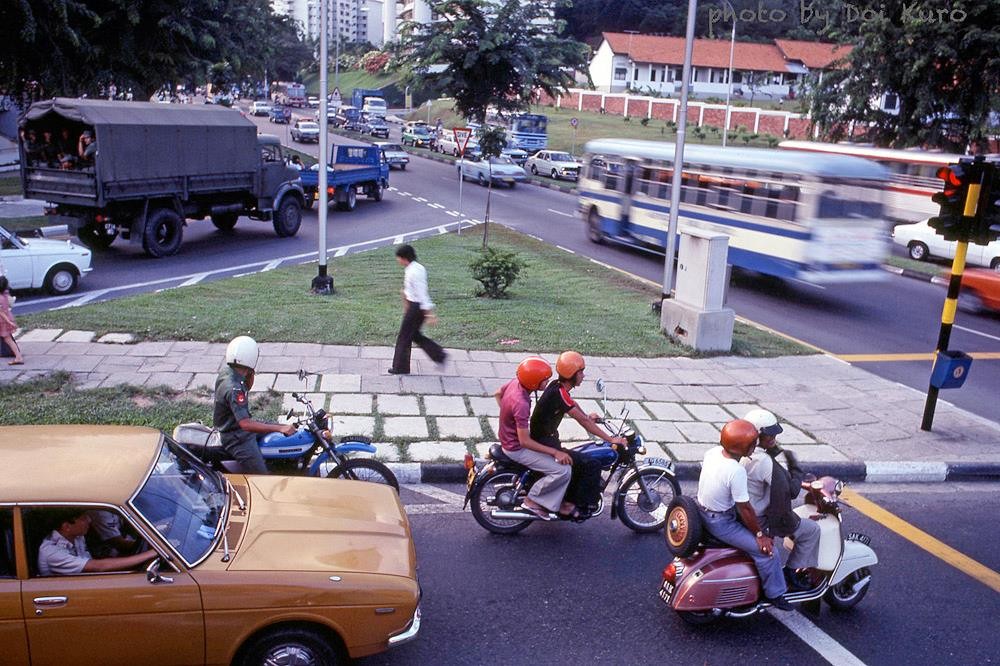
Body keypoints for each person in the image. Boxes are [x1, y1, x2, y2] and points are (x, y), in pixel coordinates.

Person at [697, 419, 792, 610]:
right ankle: (776, 593)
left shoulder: (713, 453)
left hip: (703, 510)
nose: (755, 445)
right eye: (752, 443)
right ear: (744, 447)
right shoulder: (736, 470)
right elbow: (745, 508)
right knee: (768, 552)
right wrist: (760, 536)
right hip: (721, 521)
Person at [529, 350, 626, 517]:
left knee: (580, 459)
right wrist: (611, 439)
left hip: (546, 438)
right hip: (545, 442)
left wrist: (587, 416)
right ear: (571, 374)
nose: (583, 375)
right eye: (581, 372)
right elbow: (583, 422)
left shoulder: (557, 387)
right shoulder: (558, 393)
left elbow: (573, 405)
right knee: (592, 463)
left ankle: (567, 498)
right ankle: (577, 505)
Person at [742, 409, 821, 590]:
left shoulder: (740, 452)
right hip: (761, 519)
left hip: (742, 513)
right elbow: (790, 491)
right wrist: (795, 468)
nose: (774, 438)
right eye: (769, 435)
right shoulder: (764, 462)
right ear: (757, 435)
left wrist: (773, 449)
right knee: (811, 530)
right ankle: (791, 573)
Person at [494, 357, 572, 520]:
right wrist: (555, 453)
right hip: (516, 448)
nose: (547, 383)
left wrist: (509, 418)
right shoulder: (521, 402)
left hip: (507, 439)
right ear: (533, 382)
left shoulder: (515, 383)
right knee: (563, 470)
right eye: (544, 380)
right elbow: (525, 442)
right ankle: (532, 501)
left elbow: (498, 393)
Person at [213, 335, 295, 474]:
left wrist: (279, 427)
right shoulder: (235, 389)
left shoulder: (227, 372)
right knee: (262, 476)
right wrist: (280, 429)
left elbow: (248, 387)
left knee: (277, 428)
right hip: (237, 437)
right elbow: (246, 424)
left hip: (237, 428)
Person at [37, 509, 156, 576]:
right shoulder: (52, 552)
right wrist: (151, 553)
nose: (89, 520)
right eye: (83, 518)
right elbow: (99, 567)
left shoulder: (76, 536)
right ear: (67, 526)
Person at [389, 244, 447, 375]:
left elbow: (422, 294)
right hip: (413, 306)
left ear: (404, 258)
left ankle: (400, 368)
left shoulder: (414, 272)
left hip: (417, 307)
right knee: (414, 335)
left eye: (398, 258)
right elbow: (409, 291)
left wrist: (429, 314)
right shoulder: (416, 268)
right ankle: (439, 355)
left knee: (404, 337)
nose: (397, 260)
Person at [0, 276, 23, 365]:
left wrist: (8, 322)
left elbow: (1, 312)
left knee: (8, 339)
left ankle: (18, 357)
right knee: (8, 339)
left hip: (3, 321)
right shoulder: (5, 295)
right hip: (6, 319)